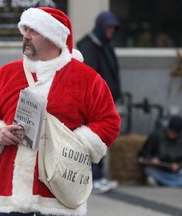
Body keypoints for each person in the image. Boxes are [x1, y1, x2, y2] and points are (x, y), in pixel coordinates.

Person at [0, 7, 120, 216]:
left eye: (34, 31)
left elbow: (108, 122)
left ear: (53, 37)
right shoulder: (6, 74)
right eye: (25, 30)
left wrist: (73, 144)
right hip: (5, 200)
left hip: (56, 204)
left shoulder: (86, 79)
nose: (26, 36)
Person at [76, 11, 121, 193]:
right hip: (93, 104)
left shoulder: (105, 45)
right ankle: (93, 177)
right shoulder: (89, 45)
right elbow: (90, 74)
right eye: (109, 27)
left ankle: (100, 176)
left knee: (101, 140)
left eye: (113, 28)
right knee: (94, 138)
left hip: (105, 103)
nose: (111, 31)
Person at [138, 115, 182, 187]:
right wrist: (152, 159)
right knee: (149, 171)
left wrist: (178, 165)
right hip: (158, 169)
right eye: (170, 131)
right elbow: (143, 153)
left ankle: (165, 182)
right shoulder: (156, 135)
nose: (172, 135)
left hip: (176, 171)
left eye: (175, 133)